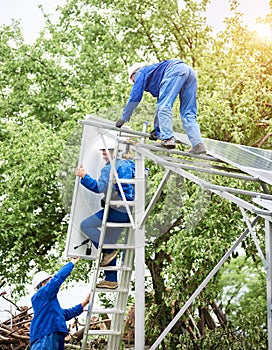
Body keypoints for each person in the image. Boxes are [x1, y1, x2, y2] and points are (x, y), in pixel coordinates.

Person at [115, 59, 206, 154]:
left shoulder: (140, 73)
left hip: (175, 70)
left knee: (164, 106)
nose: (135, 83)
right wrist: (157, 130)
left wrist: (124, 117)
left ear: (134, 74)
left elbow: (135, 96)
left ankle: (168, 139)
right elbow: (160, 105)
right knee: (188, 112)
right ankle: (198, 144)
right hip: (189, 72)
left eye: (134, 81)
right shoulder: (156, 75)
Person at [75, 147, 135, 289]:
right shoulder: (131, 165)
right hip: (126, 211)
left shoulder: (113, 166)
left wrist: (84, 176)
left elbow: (99, 187)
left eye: (106, 150)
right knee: (110, 241)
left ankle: (108, 252)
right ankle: (111, 279)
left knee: (86, 225)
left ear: (116, 151)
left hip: (117, 211)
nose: (102, 153)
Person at [30, 257, 90, 350]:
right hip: (44, 337)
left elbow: (66, 314)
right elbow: (57, 279)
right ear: (43, 284)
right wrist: (72, 263)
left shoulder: (48, 304)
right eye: (50, 280)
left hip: (51, 336)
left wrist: (85, 301)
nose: (52, 282)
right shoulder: (41, 295)